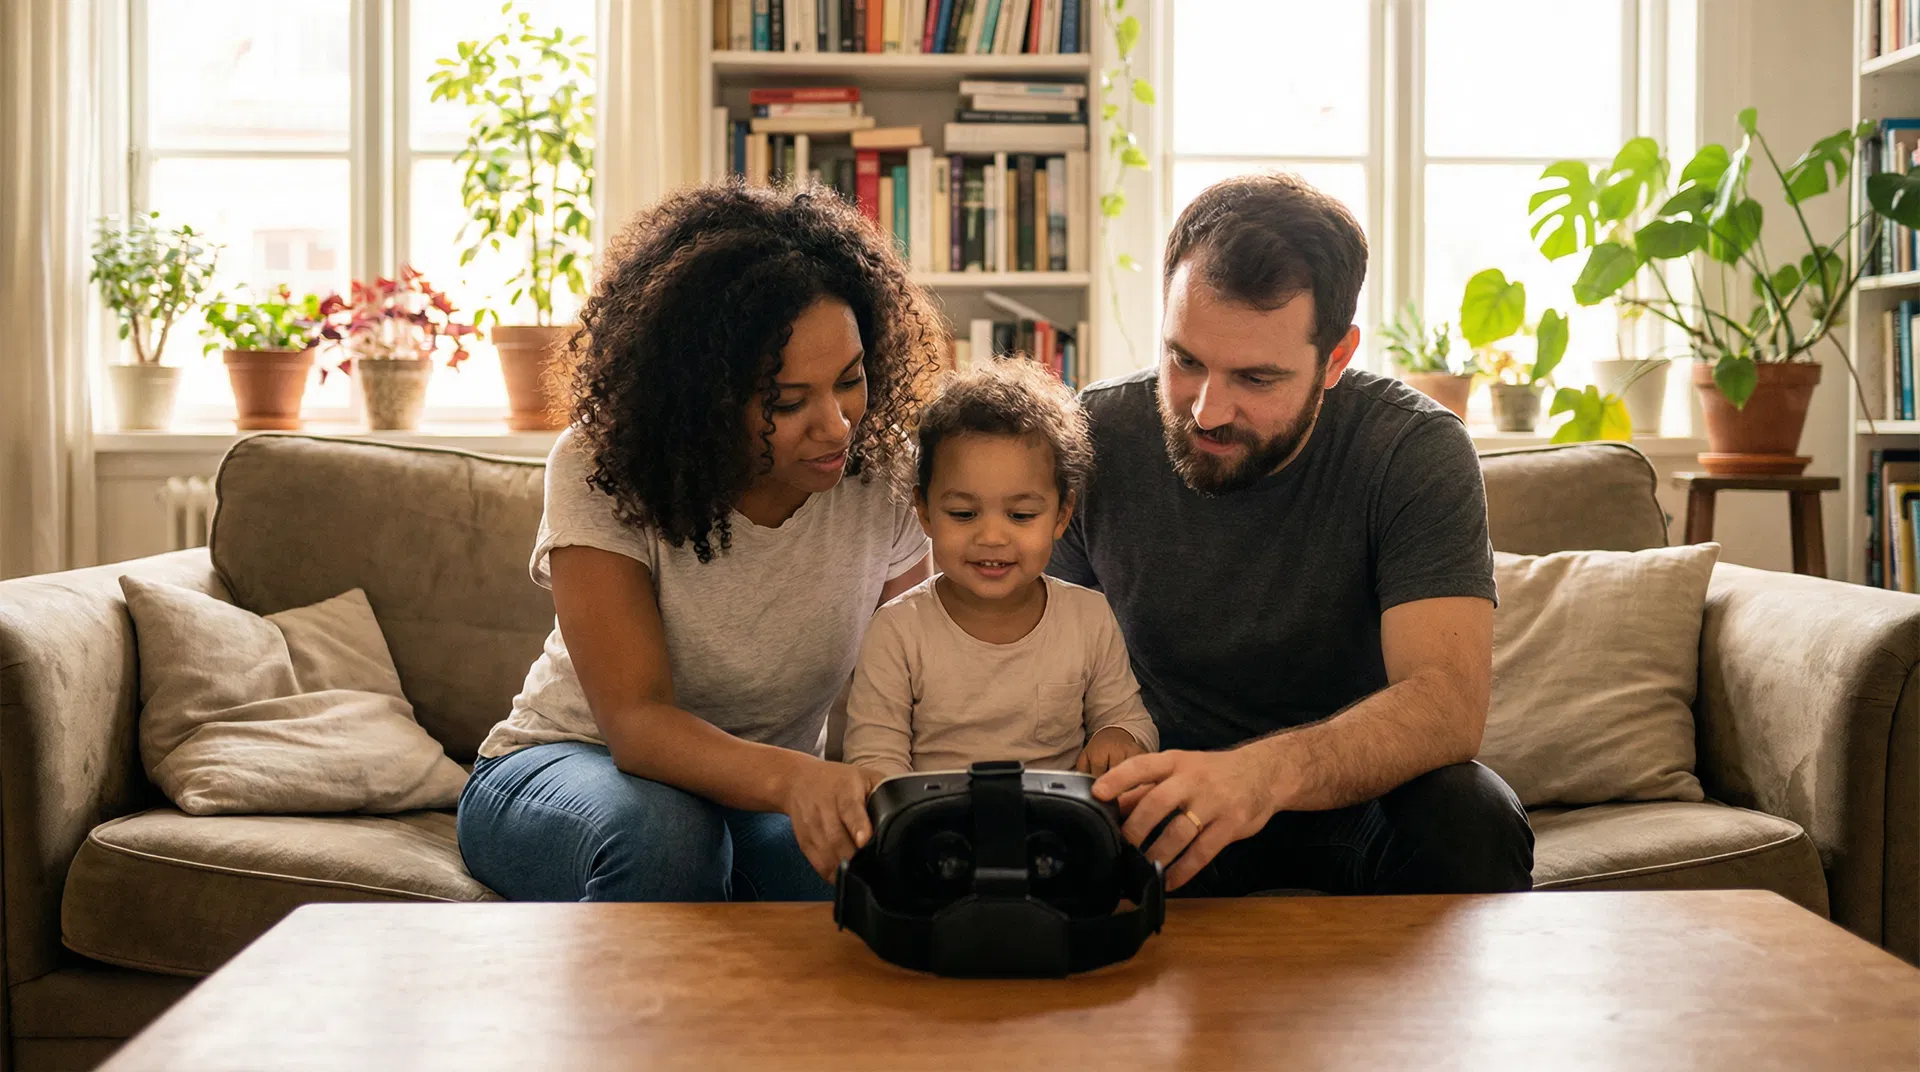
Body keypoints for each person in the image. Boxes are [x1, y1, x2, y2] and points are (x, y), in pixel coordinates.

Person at [1049, 172, 1535, 896]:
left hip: (1350, 803)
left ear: (1336, 358)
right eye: (1184, 360)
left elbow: (1447, 704)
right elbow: (1029, 654)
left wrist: (1258, 777)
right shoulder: (1092, 435)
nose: (1208, 411)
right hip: (1158, 800)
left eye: (1256, 378)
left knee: (1471, 813)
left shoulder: (1413, 450)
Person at [457, 183, 940, 902]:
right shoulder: (604, 467)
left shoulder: (888, 472)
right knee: (669, 837)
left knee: (868, 870)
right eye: (787, 401)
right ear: (705, 397)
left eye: (850, 381)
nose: (836, 424)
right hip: (566, 768)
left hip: (752, 804)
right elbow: (637, 725)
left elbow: (911, 693)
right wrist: (798, 780)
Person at [842, 360, 1158, 779]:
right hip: (936, 831)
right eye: (963, 513)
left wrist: (1118, 735)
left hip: (1055, 828)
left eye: (1022, 515)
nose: (992, 537)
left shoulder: (1089, 619)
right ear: (925, 512)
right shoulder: (898, 630)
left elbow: (1131, 720)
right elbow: (873, 758)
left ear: (1062, 515)